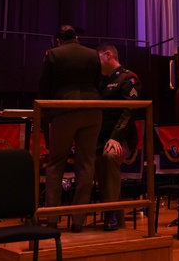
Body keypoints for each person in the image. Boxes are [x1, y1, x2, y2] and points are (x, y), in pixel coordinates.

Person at [37, 25, 102, 232]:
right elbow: (97, 82)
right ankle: (78, 220)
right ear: (76, 37)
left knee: (56, 163)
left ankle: (52, 218)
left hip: (63, 109)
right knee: (86, 163)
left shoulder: (54, 54)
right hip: (92, 109)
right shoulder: (93, 54)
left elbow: (44, 86)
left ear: (58, 40)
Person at [94, 42, 141, 231]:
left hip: (122, 138)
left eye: (98, 58)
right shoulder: (101, 82)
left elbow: (131, 110)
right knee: (99, 166)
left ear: (108, 55)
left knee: (109, 156)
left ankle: (111, 212)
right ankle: (116, 219)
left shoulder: (128, 78)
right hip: (101, 139)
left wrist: (115, 137)